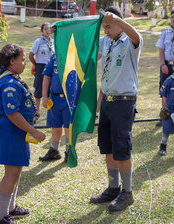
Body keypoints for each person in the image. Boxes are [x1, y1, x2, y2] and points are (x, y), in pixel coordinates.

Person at [89, 7, 143, 211]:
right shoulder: (106, 40)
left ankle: (127, 193)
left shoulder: (130, 42)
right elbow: (89, 43)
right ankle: (113, 188)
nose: (106, 31)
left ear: (119, 23)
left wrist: (119, 21)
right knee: (108, 147)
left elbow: (136, 35)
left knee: (122, 148)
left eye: (109, 26)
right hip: (108, 101)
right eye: (104, 27)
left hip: (124, 102)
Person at [0, 43, 46, 224]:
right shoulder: (9, 83)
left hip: (17, 133)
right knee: (10, 174)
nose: (25, 63)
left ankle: (10, 208)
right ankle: (1, 216)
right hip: (11, 132)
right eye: (22, 60)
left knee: (16, 171)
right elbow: (12, 113)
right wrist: (33, 131)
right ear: (11, 61)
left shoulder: (12, 78)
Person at [39, 54, 71, 162]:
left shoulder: (74, 55)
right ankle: (54, 150)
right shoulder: (54, 57)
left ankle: (69, 151)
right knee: (55, 127)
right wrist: (44, 96)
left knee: (68, 127)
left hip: (69, 99)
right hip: (55, 99)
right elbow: (47, 77)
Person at [29, 22, 54, 112]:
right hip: (41, 67)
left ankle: (50, 110)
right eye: (45, 29)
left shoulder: (53, 42)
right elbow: (30, 55)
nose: (48, 31)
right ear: (42, 31)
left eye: (49, 29)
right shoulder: (38, 42)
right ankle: (37, 111)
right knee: (39, 89)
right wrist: (36, 65)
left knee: (51, 88)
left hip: (51, 67)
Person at [155, 10, 174, 127]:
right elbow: (161, 49)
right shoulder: (165, 33)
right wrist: (163, 64)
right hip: (166, 65)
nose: (173, 19)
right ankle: (164, 116)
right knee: (164, 90)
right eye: (171, 17)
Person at [158, 74, 174, 155]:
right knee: (166, 129)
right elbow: (163, 95)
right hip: (170, 109)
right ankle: (163, 146)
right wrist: (167, 107)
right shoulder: (169, 80)